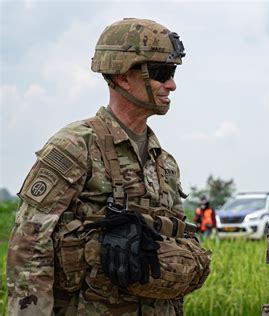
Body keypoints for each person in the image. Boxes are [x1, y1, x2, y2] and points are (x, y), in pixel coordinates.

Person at [7, 18, 210, 315]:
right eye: (161, 73)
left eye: (173, 72)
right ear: (122, 76)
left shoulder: (164, 163)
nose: (172, 84)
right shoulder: (76, 147)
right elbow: (28, 247)